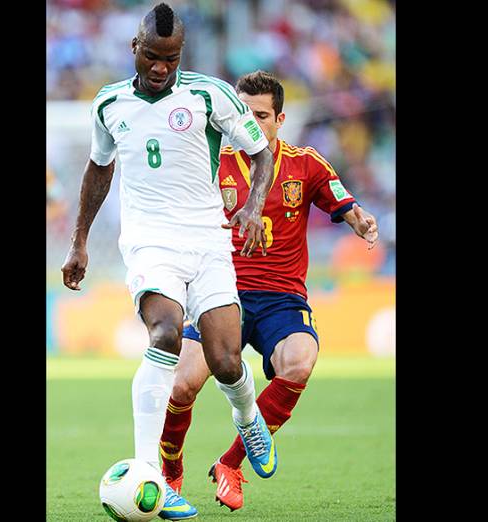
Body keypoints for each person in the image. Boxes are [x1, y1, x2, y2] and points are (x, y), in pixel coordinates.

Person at [60, 5, 279, 520]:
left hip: (207, 240)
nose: (162, 67)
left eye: (172, 58)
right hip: (149, 242)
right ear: (134, 49)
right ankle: (148, 474)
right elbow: (98, 170)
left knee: (226, 361)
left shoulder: (210, 94)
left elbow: (261, 151)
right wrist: (79, 240)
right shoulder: (109, 104)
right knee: (164, 334)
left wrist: (252, 205)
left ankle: (247, 415)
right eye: (154, 57)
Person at [158, 70, 379, 511]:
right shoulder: (212, 162)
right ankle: (169, 472)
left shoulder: (306, 163)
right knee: (182, 384)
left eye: (261, 115)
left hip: (281, 297)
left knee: (299, 362)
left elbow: (344, 202)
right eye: (243, 113)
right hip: (222, 292)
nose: (250, 122)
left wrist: (361, 221)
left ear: (280, 118)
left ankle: (230, 464)